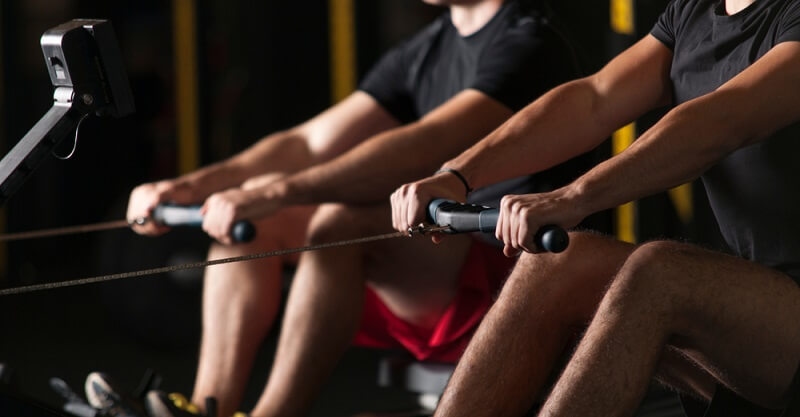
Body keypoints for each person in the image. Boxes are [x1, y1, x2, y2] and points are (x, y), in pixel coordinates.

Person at [113, 1, 596, 416]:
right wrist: (188, 187)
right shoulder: (427, 48)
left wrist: (280, 190)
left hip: (517, 283)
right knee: (254, 220)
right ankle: (207, 408)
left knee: (338, 222)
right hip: (434, 271)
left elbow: (429, 143)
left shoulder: (531, 40)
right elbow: (309, 142)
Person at [390, 0, 800, 415]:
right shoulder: (692, 12)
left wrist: (573, 197)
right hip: (761, 308)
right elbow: (595, 99)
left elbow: (724, 120)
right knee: (555, 265)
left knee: (661, 272)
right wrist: (458, 174)